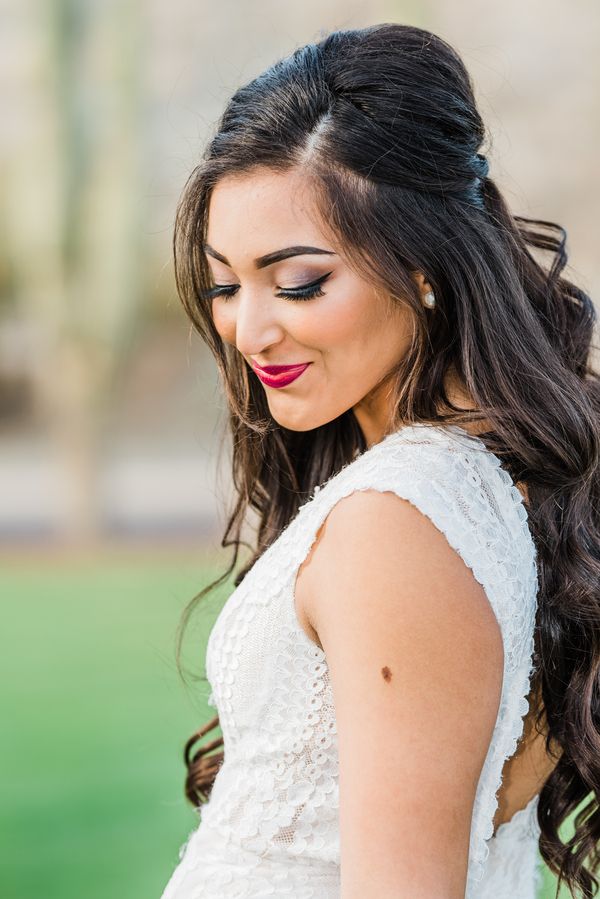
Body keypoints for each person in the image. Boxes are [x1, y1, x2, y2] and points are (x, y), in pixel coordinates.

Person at [159, 23, 600, 899]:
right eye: (224, 284)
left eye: (298, 283)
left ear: (424, 266)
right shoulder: (477, 490)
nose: (250, 329)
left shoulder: (400, 522)